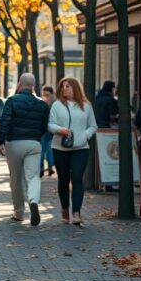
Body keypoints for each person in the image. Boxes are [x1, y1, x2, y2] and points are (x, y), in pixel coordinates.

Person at [0, 74, 50, 226]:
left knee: (16, 178)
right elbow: (45, 126)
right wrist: (35, 136)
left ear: (20, 84)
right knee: (33, 176)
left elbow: (4, 121)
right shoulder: (42, 104)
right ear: (33, 86)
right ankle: (33, 200)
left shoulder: (12, 101)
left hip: (14, 143)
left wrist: (0, 141)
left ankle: (19, 212)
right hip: (34, 144)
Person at [49, 78, 98, 225]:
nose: (64, 89)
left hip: (81, 148)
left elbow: (93, 126)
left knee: (77, 178)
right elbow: (50, 124)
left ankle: (76, 212)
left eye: (68, 86)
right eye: (62, 87)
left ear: (75, 88)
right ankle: (65, 209)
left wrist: (85, 136)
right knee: (63, 180)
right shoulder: (57, 105)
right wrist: (60, 130)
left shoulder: (86, 105)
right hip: (60, 147)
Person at [39, 85, 57, 176]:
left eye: (48, 94)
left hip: (52, 131)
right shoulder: (41, 103)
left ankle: (50, 166)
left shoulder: (56, 104)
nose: (46, 97)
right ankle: (41, 168)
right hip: (43, 130)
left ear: (52, 94)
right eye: (44, 95)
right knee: (41, 149)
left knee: (49, 149)